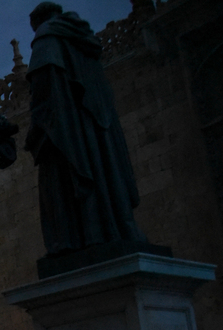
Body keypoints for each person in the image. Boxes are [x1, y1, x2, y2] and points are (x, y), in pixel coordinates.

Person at [25, 2, 145, 258]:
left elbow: (43, 89)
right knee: (104, 174)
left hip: (66, 131)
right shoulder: (84, 43)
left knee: (67, 186)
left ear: (39, 21)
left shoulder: (47, 37)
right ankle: (113, 229)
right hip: (97, 129)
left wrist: (36, 130)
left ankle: (79, 239)